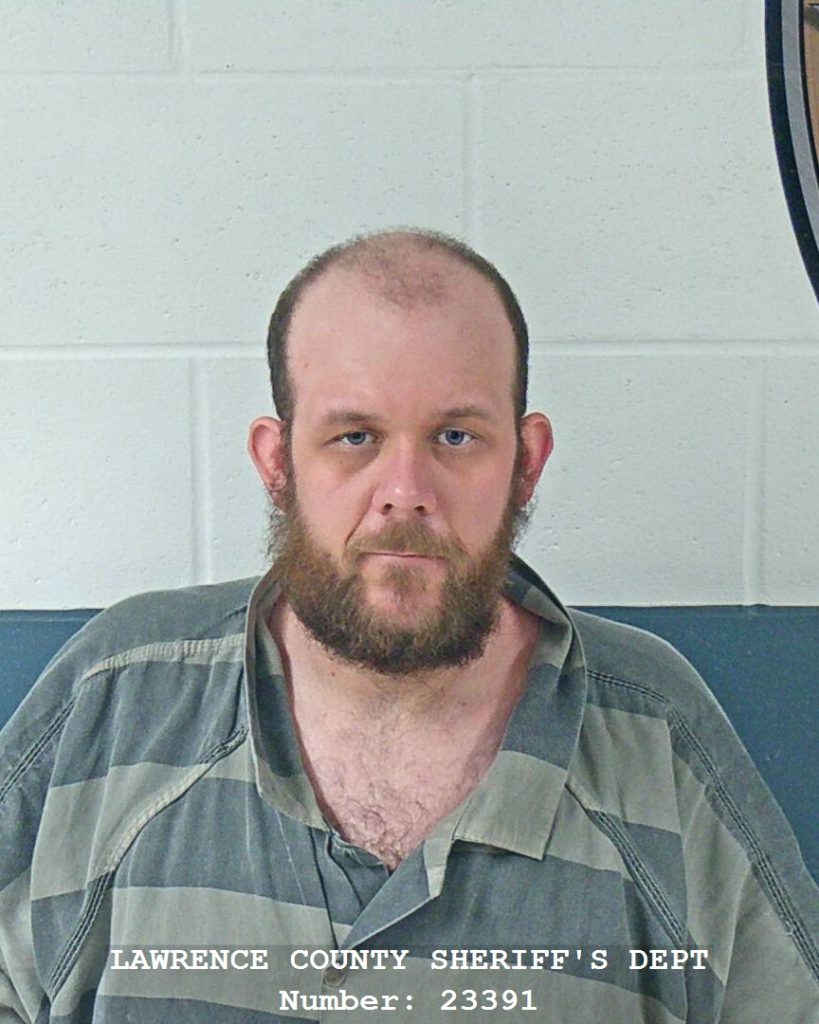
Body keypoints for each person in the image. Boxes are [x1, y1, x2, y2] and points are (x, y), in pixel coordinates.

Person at [1, 229, 817, 1023]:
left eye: (454, 437)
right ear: (277, 462)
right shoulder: (119, 697)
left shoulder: (652, 731)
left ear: (526, 462)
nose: (405, 491)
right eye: (354, 437)